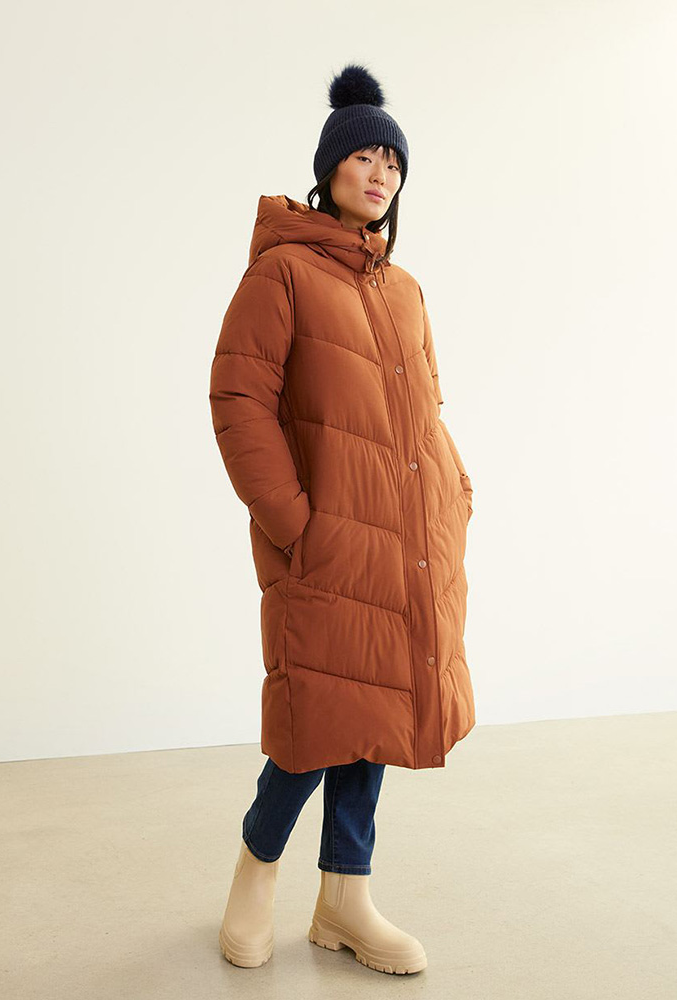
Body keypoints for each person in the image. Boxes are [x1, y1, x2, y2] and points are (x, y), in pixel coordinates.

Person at [209, 63, 475, 975]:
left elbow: (427, 412)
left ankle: (345, 899)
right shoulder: (281, 273)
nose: (380, 174)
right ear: (329, 168)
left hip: (406, 544)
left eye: (393, 163)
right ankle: (255, 871)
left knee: (377, 714)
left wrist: (455, 493)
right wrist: (294, 522)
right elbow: (238, 400)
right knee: (311, 724)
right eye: (364, 157)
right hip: (325, 546)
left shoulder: (404, 290)